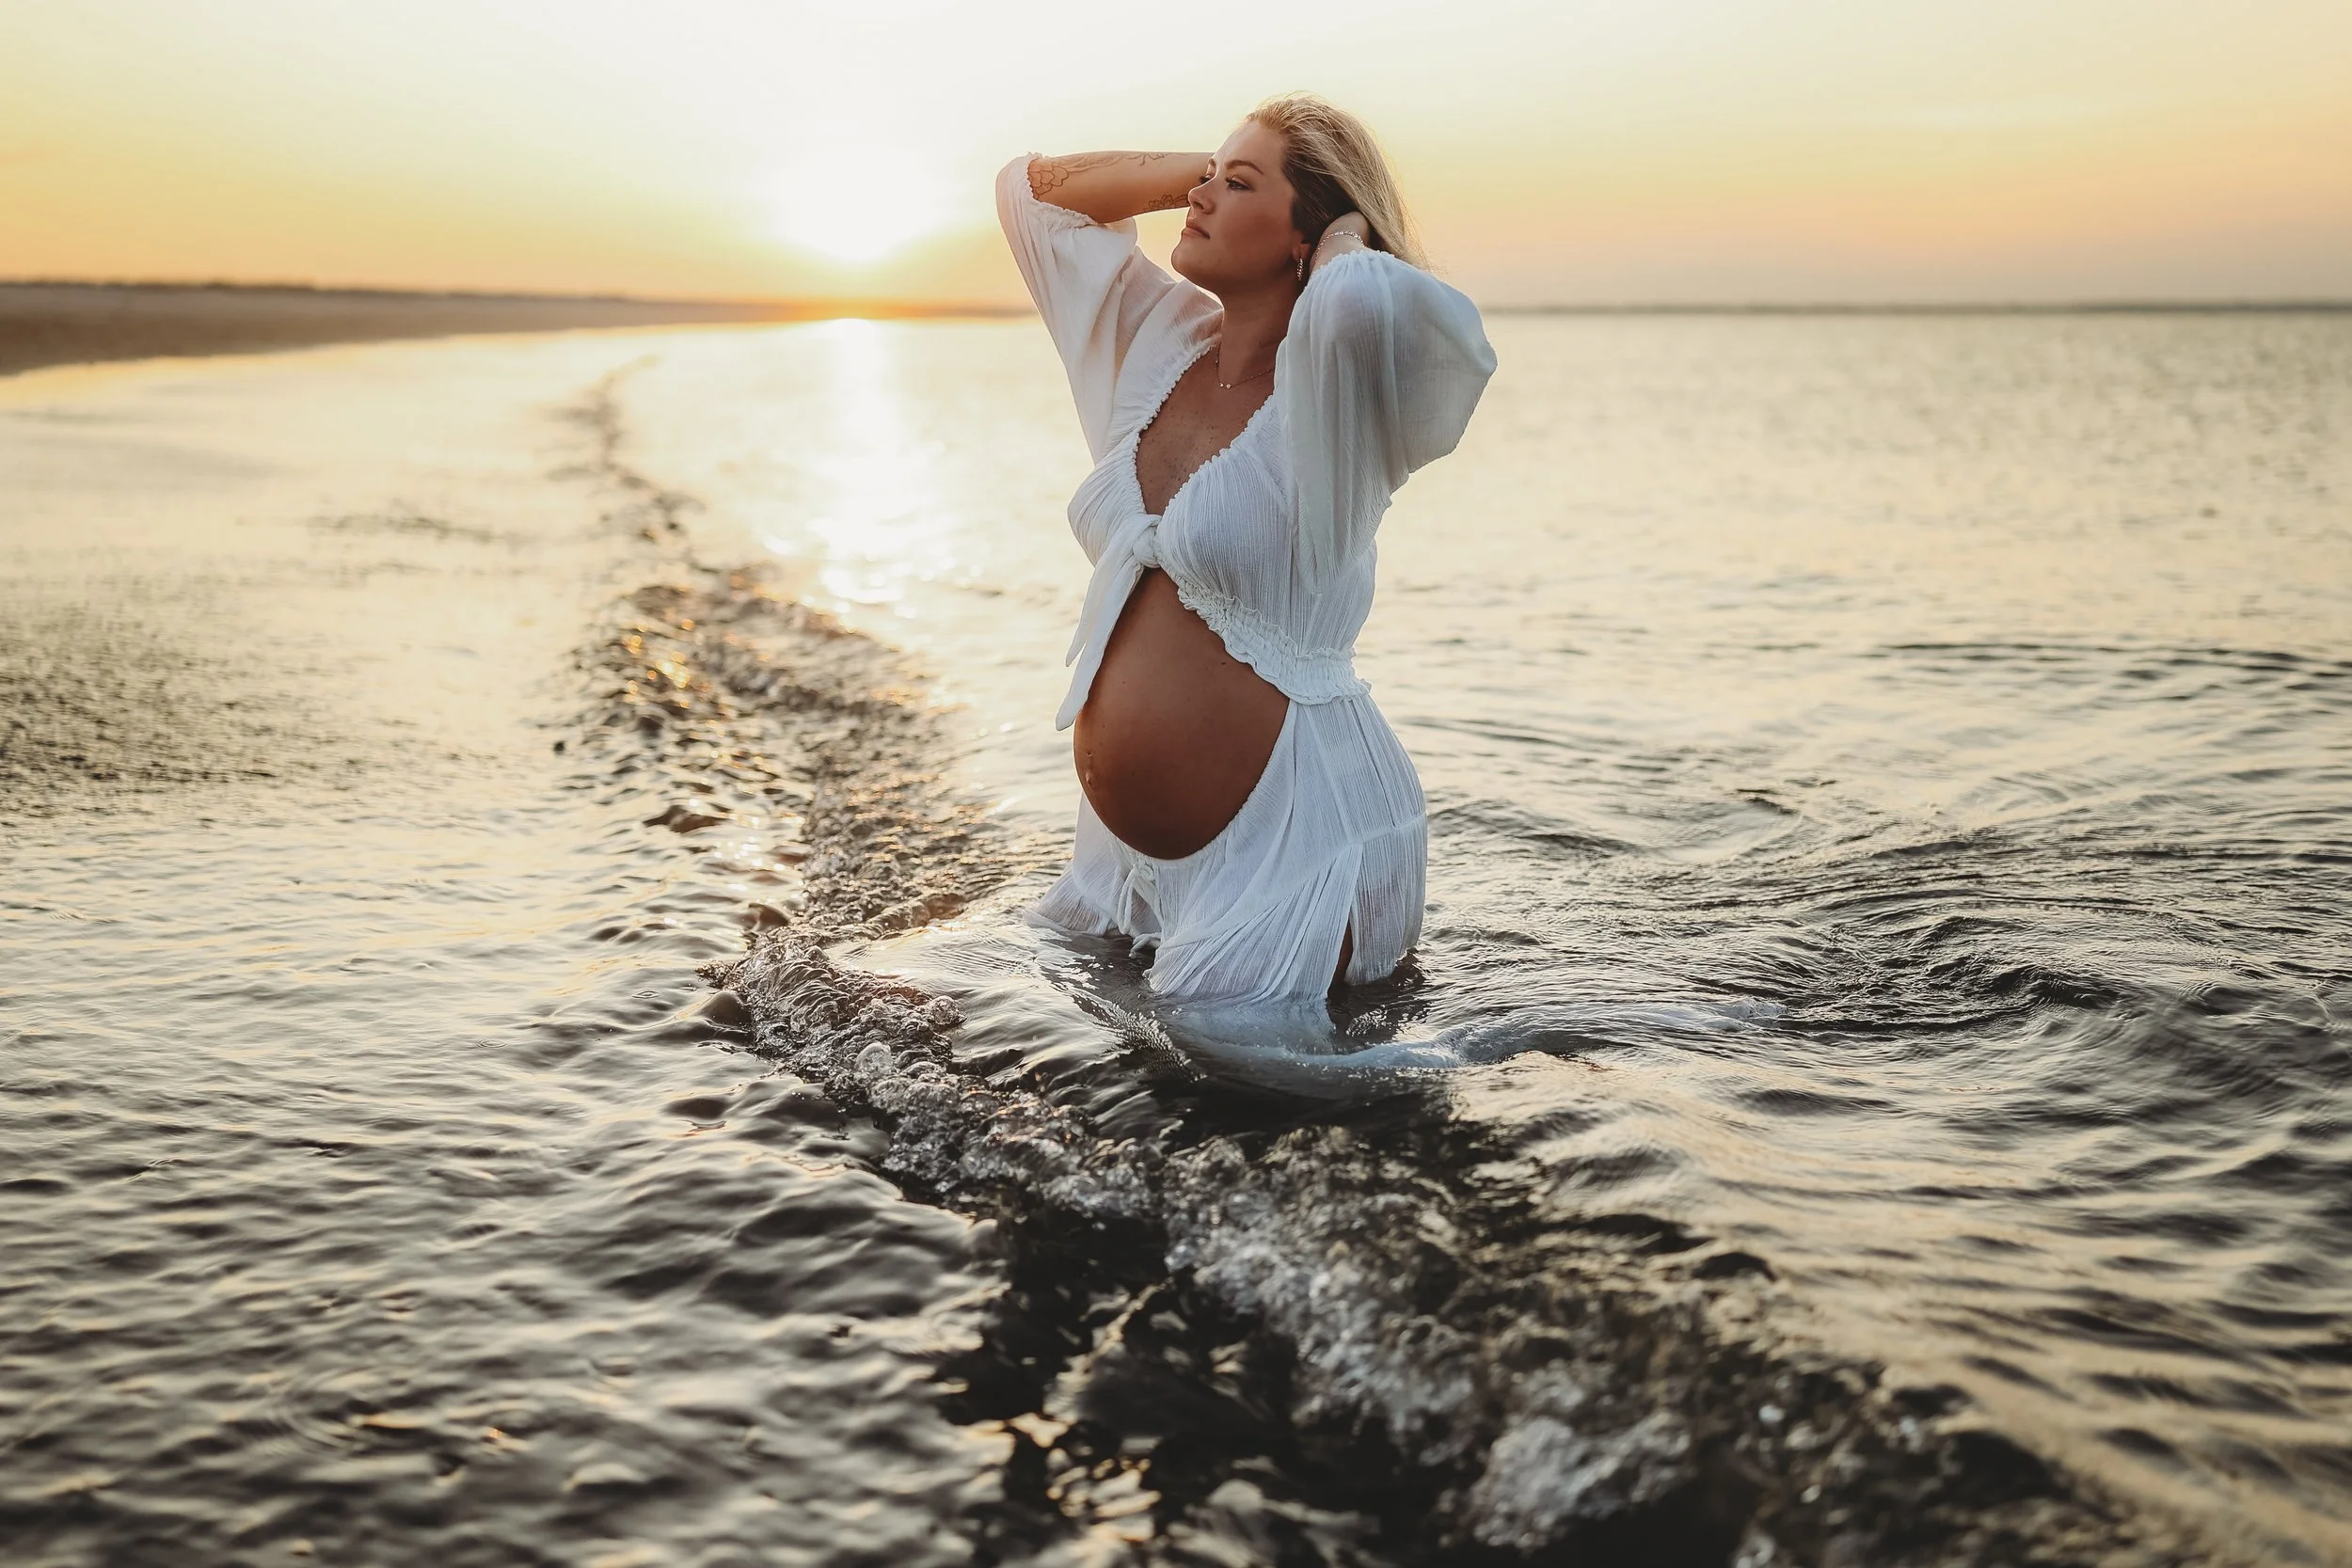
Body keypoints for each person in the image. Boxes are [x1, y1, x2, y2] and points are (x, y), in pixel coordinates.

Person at [998, 92, 1495, 1006]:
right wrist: (1214, 171)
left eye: (1237, 186)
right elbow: (1035, 199)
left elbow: (1375, 308)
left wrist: (1342, 240)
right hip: (1120, 862)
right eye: (1205, 180)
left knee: (1264, 1105)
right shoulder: (1152, 341)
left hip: (1302, 835)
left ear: (1307, 234)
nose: (1198, 198)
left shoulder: (1343, 380)